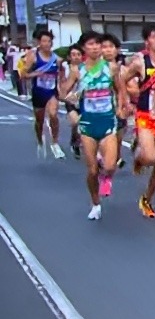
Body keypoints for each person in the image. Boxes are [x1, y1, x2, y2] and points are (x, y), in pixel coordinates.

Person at [58, 31, 128, 220]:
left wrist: (123, 107)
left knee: (111, 165)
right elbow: (64, 92)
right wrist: (70, 99)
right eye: (91, 44)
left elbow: (120, 89)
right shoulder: (77, 70)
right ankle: (95, 203)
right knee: (91, 171)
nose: (96, 47)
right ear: (83, 48)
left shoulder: (111, 68)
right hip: (88, 124)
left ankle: (106, 176)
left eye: (98, 44)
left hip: (107, 122)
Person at [120, 24, 155, 218]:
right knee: (150, 157)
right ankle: (139, 157)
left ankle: (147, 198)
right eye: (153, 37)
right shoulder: (141, 61)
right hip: (145, 115)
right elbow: (121, 79)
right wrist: (125, 102)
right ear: (147, 41)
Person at [21, 30, 66, 159]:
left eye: (49, 41)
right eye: (44, 41)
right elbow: (23, 74)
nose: (46, 44)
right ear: (39, 43)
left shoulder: (56, 58)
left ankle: (55, 143)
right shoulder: (34, 57)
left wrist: (61, 82)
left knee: (53, 115)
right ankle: (40, 139)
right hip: (38, 92)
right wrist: (35, 74)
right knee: (39, 121)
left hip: (52, 92)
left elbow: (61, 72)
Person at [100, 34, 128, 170]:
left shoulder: (119, 68)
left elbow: (121, 89)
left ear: (117, 50)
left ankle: (113, 159)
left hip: (114, 109)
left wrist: (122, 106)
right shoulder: (93, 67)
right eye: (104, 47)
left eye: (111, 47)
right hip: (96, 112)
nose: (108, 50)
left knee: (117, 138)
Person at [62, 45, 84, 159]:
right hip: (71, 100)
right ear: (69, 57)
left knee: (83, 124)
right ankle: (74, 141)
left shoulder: (85, 68)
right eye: (73, 55)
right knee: (75, 122)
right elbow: (64, 86)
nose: (76, 57)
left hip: (84, 100)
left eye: (78, 54)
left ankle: (76, 140)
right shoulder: (65, 68)